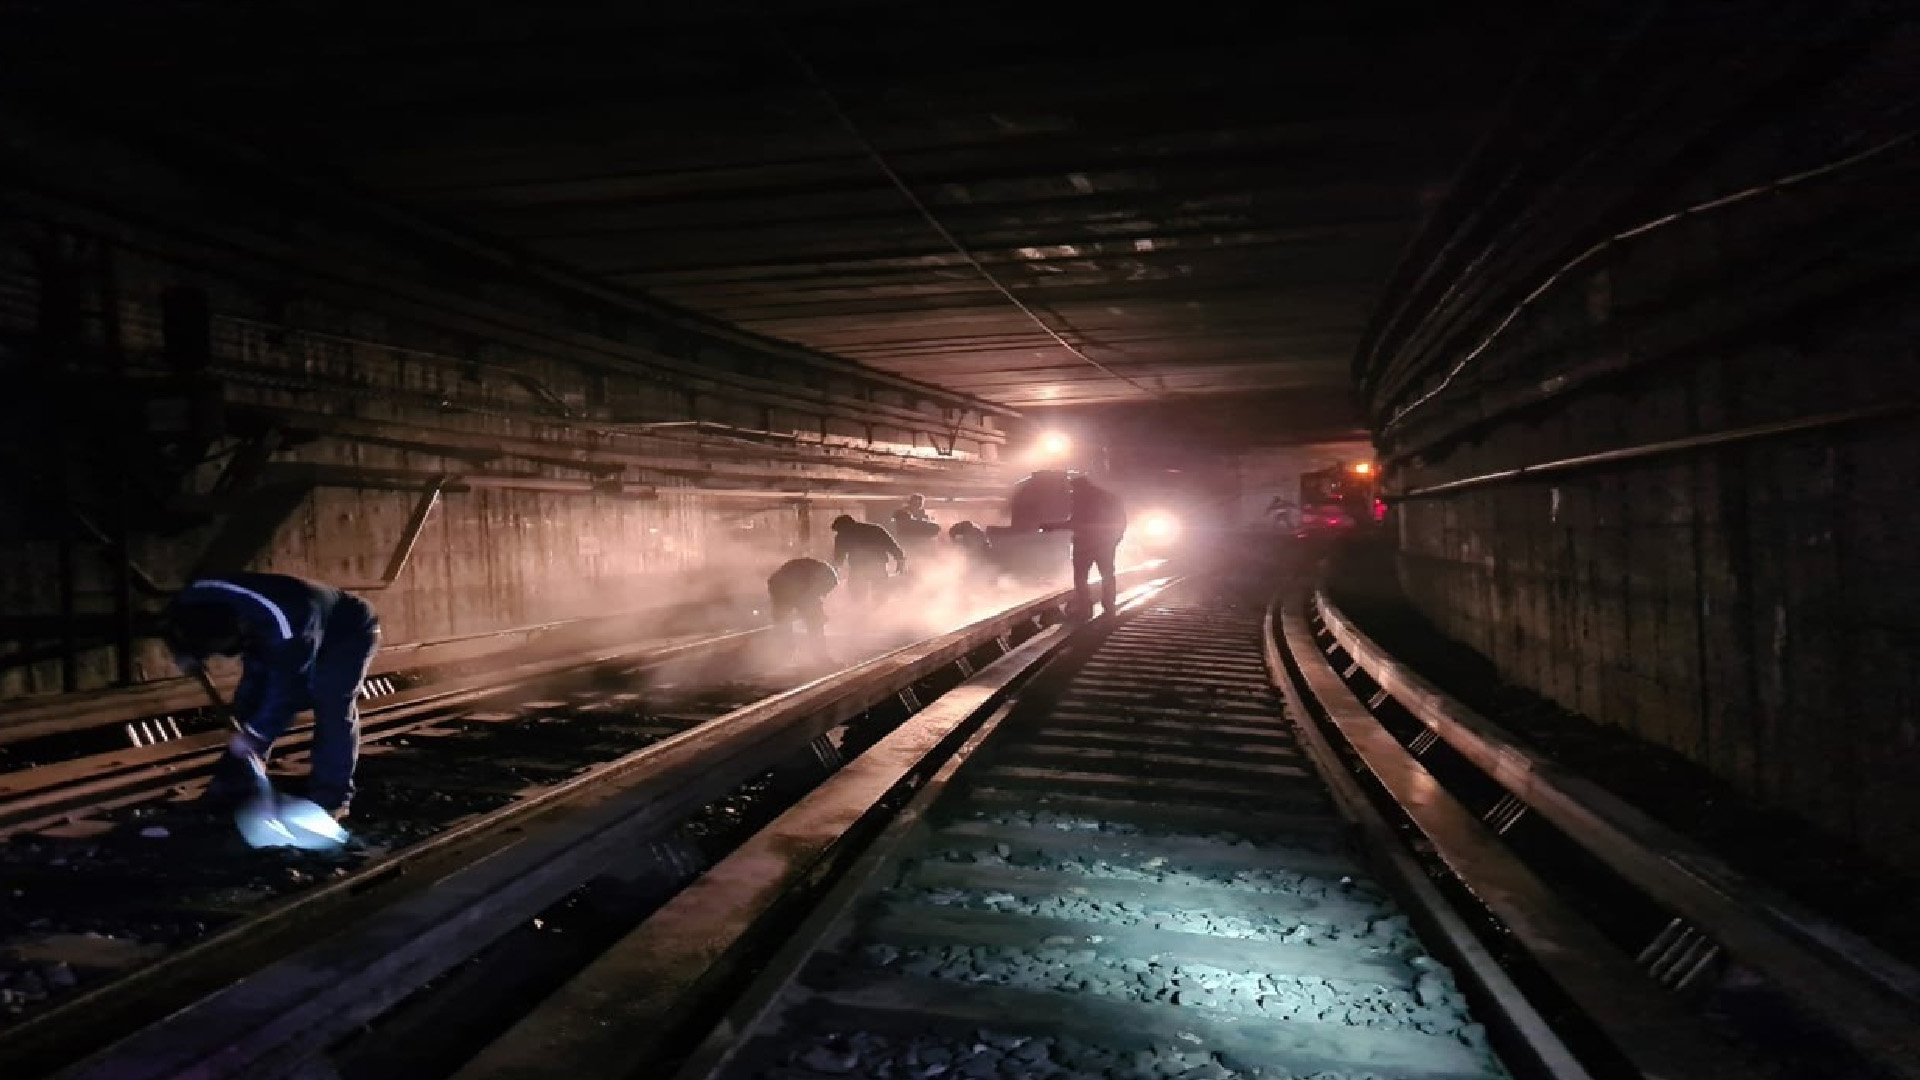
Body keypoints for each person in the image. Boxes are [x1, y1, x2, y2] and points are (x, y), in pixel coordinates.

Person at [163, 572, 380, 819]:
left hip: (348, 632)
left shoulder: (287, 627)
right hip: (272, 626)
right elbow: (169, 625)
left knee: (332, 705)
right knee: (248, 703)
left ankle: (332, 799)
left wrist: (255, 734)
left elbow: (286, 694)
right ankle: (231, 791)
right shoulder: (195, 595)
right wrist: (184, 652)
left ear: (241, 627)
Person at [1041, 475, 1128, 618]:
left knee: (1081, 577)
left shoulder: (1081, 499)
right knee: (1107, 575)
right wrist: (1115, 540)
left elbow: (1076, 523)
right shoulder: (1110, 497)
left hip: (1084, 545)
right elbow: (1121, 522)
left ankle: (1085, 608)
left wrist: (1051, 526)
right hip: (1105, 545)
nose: (1072, 493)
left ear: (1077, 487)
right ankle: (1109, 605)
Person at [830, 514, 906, 602]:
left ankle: (860, 609)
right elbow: (892, 546)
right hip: (878, 565)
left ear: (842, 527)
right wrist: (900, 561)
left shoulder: (842, 535)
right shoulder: (876, 529)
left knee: (857, 594)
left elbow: (839, 557)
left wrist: (837, 570)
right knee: (880, 592)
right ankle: (879, 610)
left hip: (858, 567)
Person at [766, 556, 838, 642]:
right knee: (813, 621)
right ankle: (817, 650)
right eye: (825, 591)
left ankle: (784, 649)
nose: (824, 595)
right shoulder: (823, 576)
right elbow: (811, 599)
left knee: (783, 623)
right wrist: (818, 615)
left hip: (779, 584)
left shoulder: (819, 572)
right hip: (786, 586)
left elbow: (812, 598)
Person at [948, 520, 997, 586]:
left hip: (980, 555)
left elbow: (975, 548)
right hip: (980, 554)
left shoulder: (973, 533)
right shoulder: (973, 531)